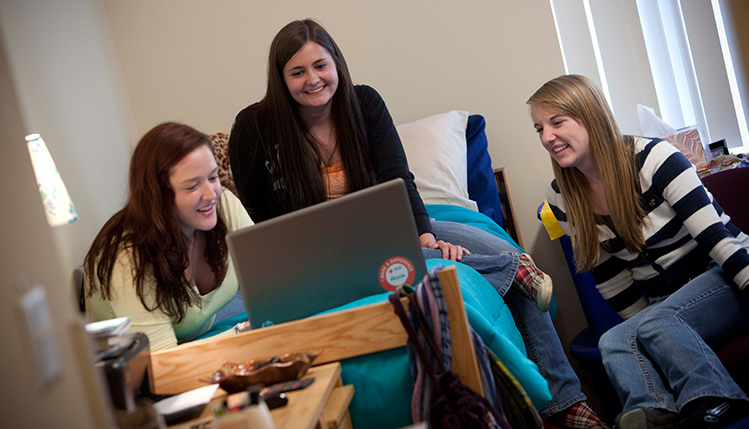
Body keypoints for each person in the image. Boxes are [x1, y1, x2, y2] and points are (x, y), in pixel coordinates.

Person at [228, 19, 606, 428]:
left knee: (503, 249)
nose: (313, 79)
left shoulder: (365, 104)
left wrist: (424, 236)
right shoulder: (253, 129)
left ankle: (567, 405)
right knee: (506, 264)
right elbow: (258, 222)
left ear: (336, 62)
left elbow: (398, 178)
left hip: (390, 228)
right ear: (280, 78)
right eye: (298, 72)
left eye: (321, 65)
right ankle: (509, 270)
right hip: (312, 254)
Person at [528, 74, 749, 429]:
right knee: (614, 339)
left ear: (590, 117)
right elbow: (610, 277)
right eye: (539, 128)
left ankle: (717, 398)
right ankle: (652, 416)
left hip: (724, 274)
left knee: (659, 321)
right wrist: (643, 336)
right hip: (670, 301)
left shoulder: (654, 158)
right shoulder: (561, 195)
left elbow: (717, 239)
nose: (546, 137)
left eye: (557, 122)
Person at [84, 122, 253, 351]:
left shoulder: (223, 204)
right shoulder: (127, 257)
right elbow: (162, 364)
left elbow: (271, 280)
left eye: (213, 178)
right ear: (158, 195)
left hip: (204, 336)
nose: (211, 193)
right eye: (193, 186)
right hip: (145, 369)